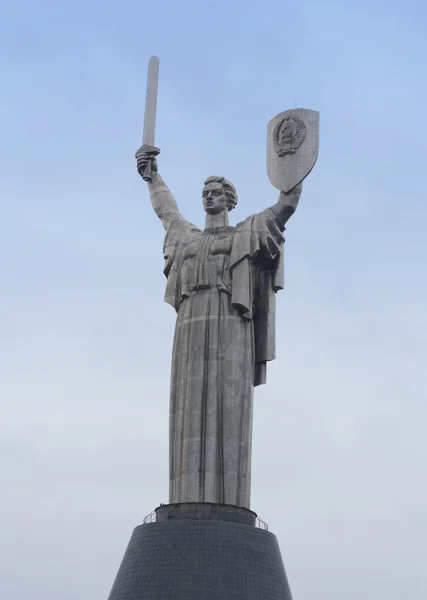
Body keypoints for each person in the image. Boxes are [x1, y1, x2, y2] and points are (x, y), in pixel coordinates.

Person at [136, 148, 302, 509]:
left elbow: (285, 207)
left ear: (229, 200)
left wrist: (294, 173)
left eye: (215, 192)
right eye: (205, 193)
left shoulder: (246, 233)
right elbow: (166, 211)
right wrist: (153, 178)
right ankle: (185, 499)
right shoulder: (188, 238)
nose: (209, 196)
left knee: (229, 402)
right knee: (188, 404)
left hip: (231, 322)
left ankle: (228, 502)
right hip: (191, 327)